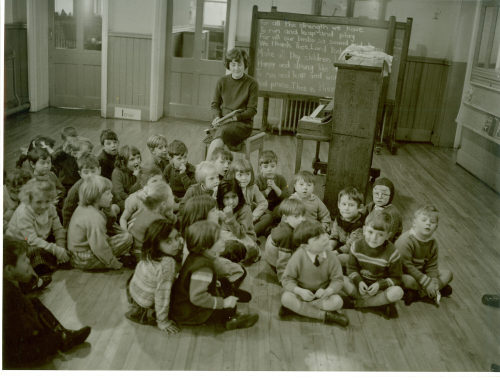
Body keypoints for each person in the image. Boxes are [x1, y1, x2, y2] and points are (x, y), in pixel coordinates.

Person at [3, 236, 91, 369]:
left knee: (34, 302)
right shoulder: (9, 295)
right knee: (48, 338)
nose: (28, 261)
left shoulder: (9, 284)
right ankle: (62, 337)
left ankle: (62, 335)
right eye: (23, 259)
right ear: (9, 270)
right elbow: (26, 331)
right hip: (13, 356)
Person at [170, 220, 259, 330]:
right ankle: (231, 319)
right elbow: (197, 297)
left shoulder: (198, 256)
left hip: (185, 304)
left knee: (224, 281)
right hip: (192, 312)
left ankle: (228, 293)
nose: (223, 241)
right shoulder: (203, 268)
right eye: (219, 239)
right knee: (227, 307)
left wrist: (212, 282)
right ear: (205, 246)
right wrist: (223, 303)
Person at [179, 195, 251, 300]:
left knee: (234, 248)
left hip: (201, 267)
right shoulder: (204, 239)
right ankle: (225, 292)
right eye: (213, 210)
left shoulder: (194, 232)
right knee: (241, 271)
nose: (217, 212)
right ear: (201, 216)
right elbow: (215, 262)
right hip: (205, 271)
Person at [280, 220, 349, 327]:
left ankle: (299, 309)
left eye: (323, 233)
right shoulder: (298, 256)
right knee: (286, 298)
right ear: (305, 246)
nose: (325, 238)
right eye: (317, 238)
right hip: (302, 293)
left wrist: (328, 291)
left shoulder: (331, 256)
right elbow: (287, 279)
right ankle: (325, 316)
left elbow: (338, 280)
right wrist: (300, 291)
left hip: (322, 294)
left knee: (338, 301)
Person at [344, 209, 404, 318]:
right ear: (364, 230)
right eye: (370, 232)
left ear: (388, 236)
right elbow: (351, 268)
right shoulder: (356, 245)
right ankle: (376, 304)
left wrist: (379, 285)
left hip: (379, 289)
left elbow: (396, 278)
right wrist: (358, 281)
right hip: (359, 286)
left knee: (398, 292)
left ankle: (361, 303)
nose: (374, 238)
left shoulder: (392, 253)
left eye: (380, 235)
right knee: (339, 279)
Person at [126, 219, 182, 333]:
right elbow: (162, 294)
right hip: (146, 307)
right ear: (156, 244)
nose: (176, 244)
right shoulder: (167, 264)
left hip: (134, 294)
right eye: (168, 241)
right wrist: (163, 321)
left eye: (177, 238)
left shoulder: (149, 252)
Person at [67, 175, 132, 270]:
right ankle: (106, 261)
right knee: (127, 238)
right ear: (96, 196)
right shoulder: (94, 217)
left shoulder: (86, 208)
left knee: (120, 234)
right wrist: (113, 263)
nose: (112, 196)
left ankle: (106, 260)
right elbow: (99, 246)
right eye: (108, 193)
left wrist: (109, 208)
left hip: (77, 254)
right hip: (83, 258)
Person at [6, 178, 69, 275]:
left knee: (65, 239)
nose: (43, 206)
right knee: (36, 253)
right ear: (29, 199)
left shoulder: (51, 208)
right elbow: (31, 239)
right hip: (23, 242)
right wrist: (56, 250)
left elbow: (58, 229)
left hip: (40, 238)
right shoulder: (24, 213)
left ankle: (56, 260)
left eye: (47, 201)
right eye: (38, 202)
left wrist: (61, 248)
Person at [206, 48, 259, 160]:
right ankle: (215, 169)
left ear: (245, 65)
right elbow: (215, 105)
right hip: (223, 122)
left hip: (242, 124)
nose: (236, 68)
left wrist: (235, 117)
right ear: (228, 65)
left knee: (221, 132)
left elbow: (252, 110)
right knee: (221, 131)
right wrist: (216, 117)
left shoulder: (252, 84)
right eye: (233, 64)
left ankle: (206, 168)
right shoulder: (222, 81)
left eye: (239, 65)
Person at [395, 205, 453, 305]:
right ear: (414, 223)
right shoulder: (406, 241)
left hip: (421, 274)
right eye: (424, 220)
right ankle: (432, 291)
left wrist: (433, 281)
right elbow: (406, 266)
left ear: (436, 227)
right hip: (404, 272)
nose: (428, 223)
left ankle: (420, 293)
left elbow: (432, 265)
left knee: (448, 274)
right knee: (409, 281)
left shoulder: (433, 243)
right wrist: (427, 283)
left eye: (432, 222)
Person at [128, 181, 176, 260]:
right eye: (171, 196)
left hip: (135, 251)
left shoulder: (143, 211)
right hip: (144, 255)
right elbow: (165, 242)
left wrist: (170, 215)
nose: (174, 198)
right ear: (163, 204)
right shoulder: (159, 220)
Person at [62, 153, 113, 228]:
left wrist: (110, 221)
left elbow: (109, 203)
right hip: (83, 222)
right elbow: (67, 210)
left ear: (99, 170)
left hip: (100, 216)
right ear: (80, 174)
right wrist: (67, 229)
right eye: (86, 172)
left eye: (93, 171)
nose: (90, 175)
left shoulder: (104, 184)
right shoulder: (76, 189)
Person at [216, 179, 260, 265]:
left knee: (238, 249)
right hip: (226, 235)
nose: (231, 201)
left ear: (239, 195)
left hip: (244, 237)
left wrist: (230, 218)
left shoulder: (245, 209)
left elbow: (240, 234)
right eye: (227, 198)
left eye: (234, 196)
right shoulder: (219, 207)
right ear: (221, 198)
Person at [263, 198, 306, 283]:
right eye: (296, 216)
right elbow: (283, 262)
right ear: (285, 218)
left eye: (303, 215)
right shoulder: (286, 235)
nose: (302, 219)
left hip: (273, 255)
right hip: (276, 262)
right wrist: (285, 280)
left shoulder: (285, 224)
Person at [230, 158, 270, 236]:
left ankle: (252, 232)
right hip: (236, 219)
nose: (244, 178)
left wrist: (253, 216)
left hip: (250, 218)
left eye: (247, 174)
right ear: (233, 175)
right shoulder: (230, 189)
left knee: (268, 217)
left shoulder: (253, 187)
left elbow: (263, 202)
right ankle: (248, 233)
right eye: (240, 175)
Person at [119, 166, 167, 231]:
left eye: (160, 181)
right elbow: (123, 218)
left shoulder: (161, 197)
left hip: (154, 229)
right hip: (137, 229)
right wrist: (125, 232)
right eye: (154, 181)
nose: (158, 184)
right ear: (144, 184)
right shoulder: (135, 199)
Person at [330, 187, 365, 266]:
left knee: (340, 258)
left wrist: (335, 252)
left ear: (360, 208)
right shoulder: (339, 218)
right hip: (341, 245)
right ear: (339, 205)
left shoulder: (360, 225)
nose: (346, 208)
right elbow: (334, 235)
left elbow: (351, 245)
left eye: (351, 205)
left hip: (354, 252)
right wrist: (329, 247)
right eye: (344, 204)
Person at [256, 150, 290, 231]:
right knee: (266, 216)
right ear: (260, 168)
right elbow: (255, 197)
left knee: (285, 208)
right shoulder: (258, 180)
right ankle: (269, 225)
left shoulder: (281, 179)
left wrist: (275, 187)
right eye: (265, 167)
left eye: (272, 166)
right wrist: (267, 190)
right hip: (263, 207)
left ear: (276, 166)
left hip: (276, 207)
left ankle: (272, 225)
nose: (269, 169)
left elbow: (286, 197)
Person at [366, 177, 402, 242]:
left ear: (391, 196)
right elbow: (363, 212)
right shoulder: (372, 205)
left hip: (383, 241)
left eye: (384, 194)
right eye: (376, 193)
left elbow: (390, 236)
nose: (380, 197)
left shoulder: (393, 214)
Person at [111, 145, 142, 211]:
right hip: (123, 203)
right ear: (123, 162)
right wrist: (138, 180)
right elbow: (120, 195)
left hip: (136, 199)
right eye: (132, 159)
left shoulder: (139, 169)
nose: (137, 161)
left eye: (138, 157)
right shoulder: (117, 173)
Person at [51, 126, 80, 193]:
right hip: (65, 182)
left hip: (77, 179)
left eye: (74, 140)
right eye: (69, 141)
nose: (72, 143)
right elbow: (53, 159)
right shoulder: (59, 151)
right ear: (64, 140)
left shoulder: (78, 148)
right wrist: (63, 151)